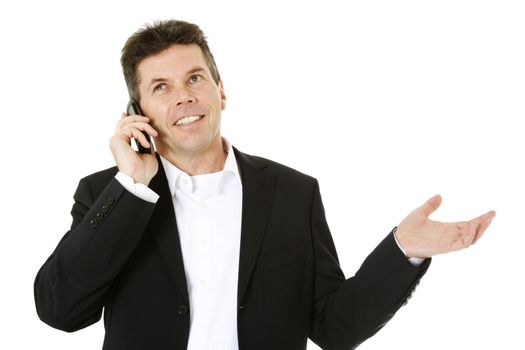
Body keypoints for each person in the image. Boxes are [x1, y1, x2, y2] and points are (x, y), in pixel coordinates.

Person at [34, 19, 496, 350]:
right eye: (161, 87)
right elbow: (60, 311)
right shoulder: (106, 195)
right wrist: (132, 184)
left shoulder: (293, 194)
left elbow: (334, 328)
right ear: (138, 114)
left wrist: (403, 251)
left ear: (220, 91)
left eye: (195, 78)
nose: (184, 96)